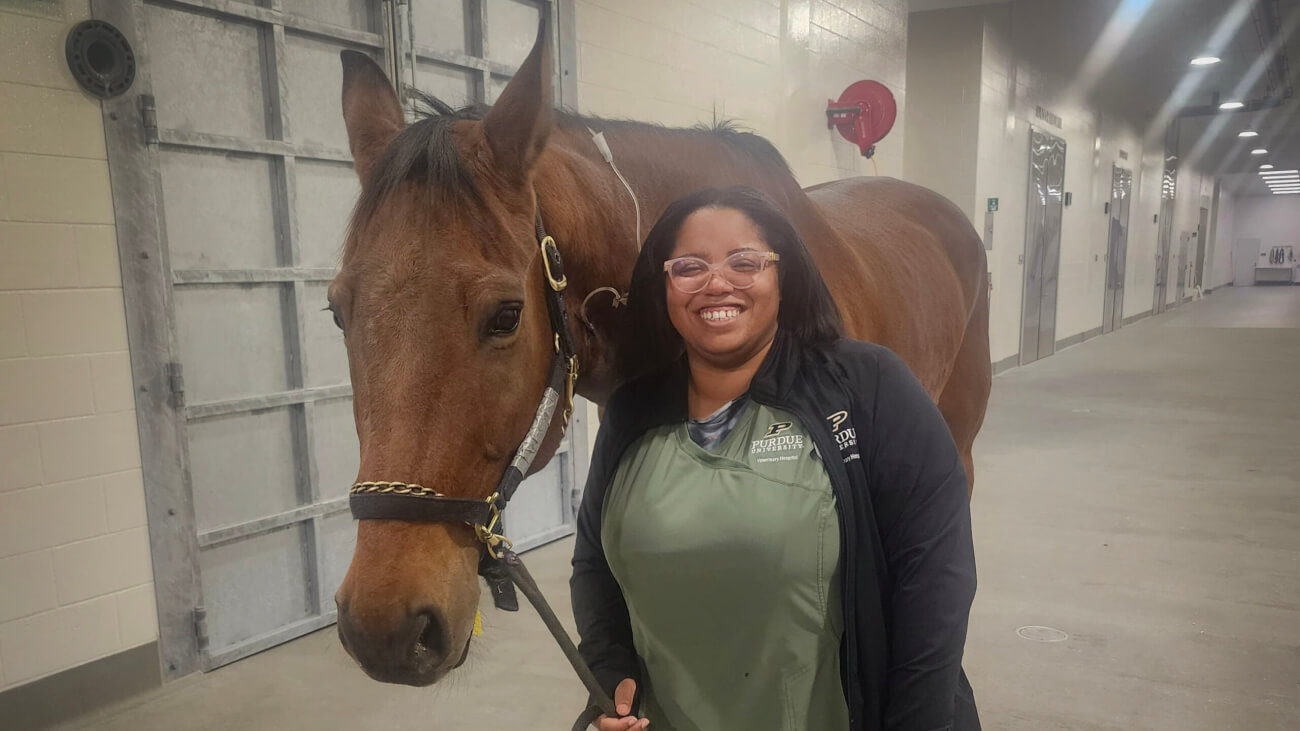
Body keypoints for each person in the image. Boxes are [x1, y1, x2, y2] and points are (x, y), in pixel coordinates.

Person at [570, 186, 980, 731]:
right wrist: (609, 669)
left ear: (783, 275)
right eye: (690, 267)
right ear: (664, 286)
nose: (717, 283)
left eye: (745, 262)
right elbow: (594, 567)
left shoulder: (867, 387)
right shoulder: (630, 415)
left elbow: (935, 577)